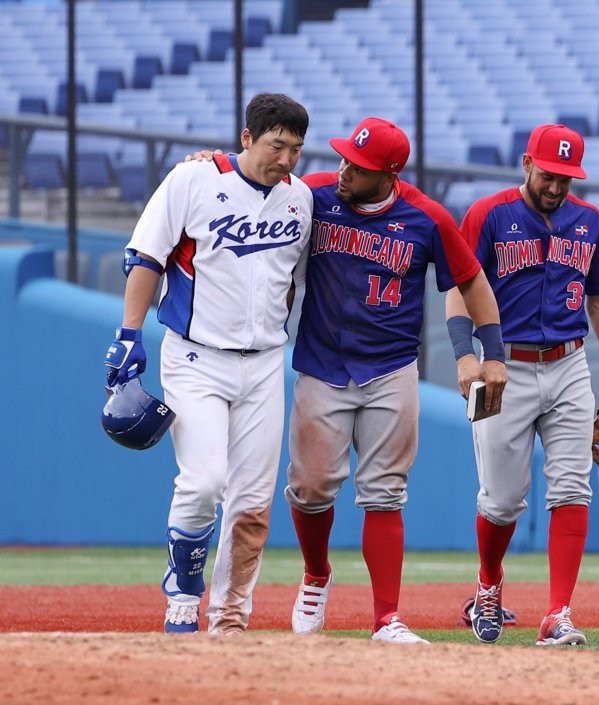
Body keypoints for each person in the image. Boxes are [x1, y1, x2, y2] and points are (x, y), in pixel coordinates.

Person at [284, 117, 507, 644]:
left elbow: (473, 282)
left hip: (390, 368)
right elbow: (254, 178)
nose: (343, 170)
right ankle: (316, 574)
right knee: (311, 487)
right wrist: (215, 164)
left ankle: (386, 618)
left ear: (388, 173)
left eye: (357, 167)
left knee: (385, 493)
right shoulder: (313, 193)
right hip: (322, 362)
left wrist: (491, 355)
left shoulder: (425, 217)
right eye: (343, 158)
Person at [104, 93, 314, 634]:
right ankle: (183, 593)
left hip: (266, 362)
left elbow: (291, 285)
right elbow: (147, 256)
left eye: (295, 148)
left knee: (252, 505)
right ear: (247, 138)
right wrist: (129, 334)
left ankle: (230, 617)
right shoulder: (193, 180)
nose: (286, 159)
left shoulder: (300, 201)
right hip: (196, 356)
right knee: (203, 482)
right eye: (276, 145)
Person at [446, 123, 599, 646]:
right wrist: (467, 356)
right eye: (549, 175)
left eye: (567, 179)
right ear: (528, 164)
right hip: (503, 367)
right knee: (502, 501)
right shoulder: (489, 213)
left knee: (574, 487)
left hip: (571, 364)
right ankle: (488, 583)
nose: (556, 187)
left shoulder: (589, 221)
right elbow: (460, 290)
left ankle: (557, 613)